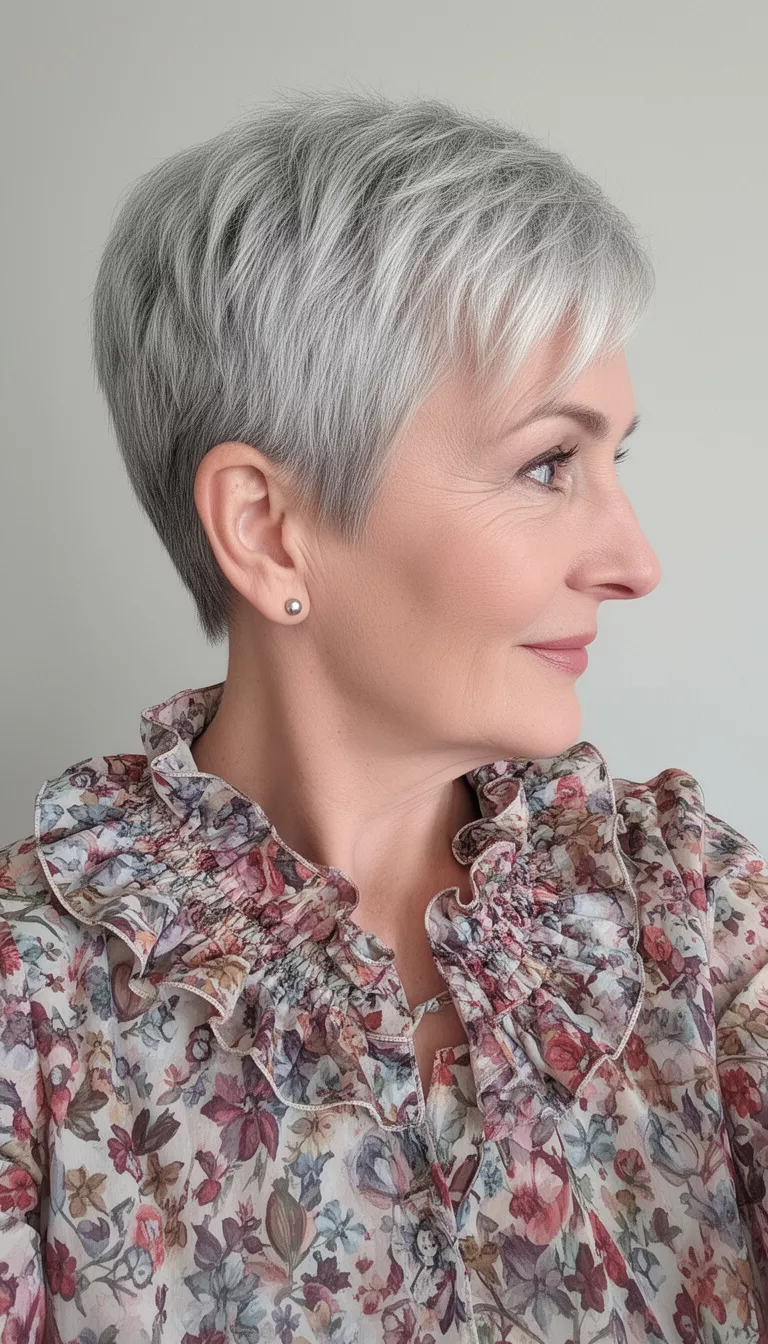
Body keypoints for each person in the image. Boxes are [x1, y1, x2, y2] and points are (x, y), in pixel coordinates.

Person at [0, 88, 766, 1344]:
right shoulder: (31, 1015)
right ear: (267, 527)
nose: (635, 561)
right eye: (547, 464)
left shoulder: (693, 911)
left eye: (616, 458)